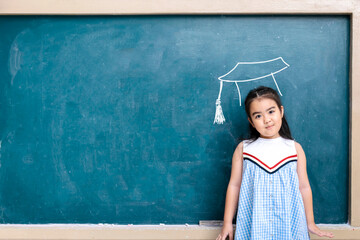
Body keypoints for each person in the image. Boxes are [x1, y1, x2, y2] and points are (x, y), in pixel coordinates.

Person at [217, 86, 334, 240]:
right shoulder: (244, 149)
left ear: (281, 111)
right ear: (251, 121)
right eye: (258, 116)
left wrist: (310, 222)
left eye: (271, 111)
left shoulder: (294, 149)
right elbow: (234, 186)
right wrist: (227, 223)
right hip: (254, 226)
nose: (267, 120)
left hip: (289, 224)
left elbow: (304, 187)